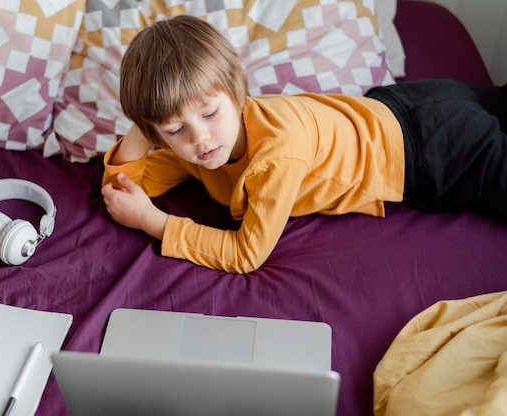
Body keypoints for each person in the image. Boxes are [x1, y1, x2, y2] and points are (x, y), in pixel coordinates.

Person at [101, 15, 507, 274]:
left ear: (238, 92)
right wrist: (142, 133)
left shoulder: (277, 154)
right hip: (402, 105)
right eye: (174, 130)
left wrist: (152, 222)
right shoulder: (197, 147)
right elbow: (130, 190)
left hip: (434, 150)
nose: (199, 138)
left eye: (209, 114)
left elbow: (246, 255)